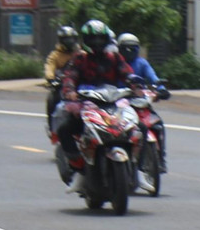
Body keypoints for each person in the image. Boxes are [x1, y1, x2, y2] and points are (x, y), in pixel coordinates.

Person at [56, 19, 133, 187]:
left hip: (113, 103)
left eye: (100, 39)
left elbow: (127, 73)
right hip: (86, 104)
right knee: (65, 130)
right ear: (86, 40)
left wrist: (136, 84)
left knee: (138, 127)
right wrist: (70, 91)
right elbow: (70, 76)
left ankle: (137, 167)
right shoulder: (79, 58)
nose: (97, 43)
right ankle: (78, 168)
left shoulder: (114, 57)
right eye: (93, 39)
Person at [117, 32, 170, 182]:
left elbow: (153, 77)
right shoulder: (117, 64)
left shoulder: (142, 63)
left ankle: (161, 159)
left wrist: (160, 88)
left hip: (139, 103)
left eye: (132, 48)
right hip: (120, 105)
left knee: (158, 125)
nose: (129, 52)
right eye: (126, 49)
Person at [44, 25, 79, 131]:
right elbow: (49, 67)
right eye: (66, 39)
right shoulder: (55, 55)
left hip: (78, 84)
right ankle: (52, 128)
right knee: (51, 99)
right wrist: (51, 79)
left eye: (71, 39)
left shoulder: (80, 53)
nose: (69, 41)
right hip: (61, 84)